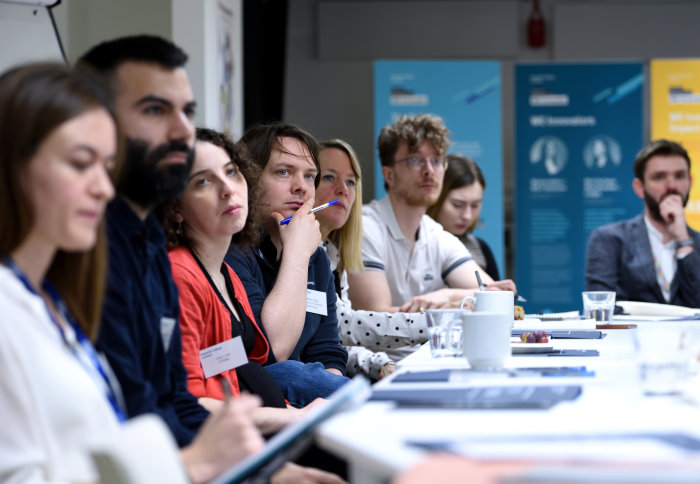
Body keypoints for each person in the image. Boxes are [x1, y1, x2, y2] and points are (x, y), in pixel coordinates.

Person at [0, 61, 262, 484]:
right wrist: (190, 466)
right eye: (81, 163)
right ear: (15, 166)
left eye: (106, 167)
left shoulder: (53, 301)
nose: (103, 188)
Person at [160, 128, 344, 482]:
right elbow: (195, 396)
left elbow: (249, 369)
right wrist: (296, 417)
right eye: (202, 182)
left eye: (231, 173)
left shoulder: (225, 275)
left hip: (253, 431)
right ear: (175, 207)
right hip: (222, 446)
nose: (228, 189)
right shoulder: (182, 274)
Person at [226, 122, 349, 407]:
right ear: (249, 180)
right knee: (291, 372)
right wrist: (296, 254)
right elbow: (272, 351)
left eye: (310, 177)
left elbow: (327, 350)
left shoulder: (315, 257)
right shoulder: (232, 251)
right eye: (284, 172)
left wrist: (325, 401)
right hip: (254, 397)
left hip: (306, 404)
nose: (302, 188)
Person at [347, 114, 516, 314]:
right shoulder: (365, 228)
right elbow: (376, 317)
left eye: (436, 160)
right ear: (389, 174)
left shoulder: (435, 234)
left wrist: (447, 296)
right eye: (415, 160)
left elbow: (497, 295)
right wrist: (448, 308)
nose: (429, 170)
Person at [316, 139, 432, 379]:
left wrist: (379, 364)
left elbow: (334, 340)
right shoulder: (302, 252)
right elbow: (344, 326)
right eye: (329, 177)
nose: (343, 190)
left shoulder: (332, 253)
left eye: (350, 181)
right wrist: (434, 324)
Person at [586, 139, 700, 308]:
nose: (672, 186)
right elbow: (603, 308)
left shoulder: (695, 243)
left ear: (690, 182)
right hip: (632, 335)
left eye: (679, 176)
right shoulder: (609, 239)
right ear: (639, 187)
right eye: (659, 177)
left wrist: (683, 241)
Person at [427, 153, 500, 280]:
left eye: (475, 205)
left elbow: (497, 296)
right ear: (436, 199)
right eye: (458, 205)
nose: (467, 216)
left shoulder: (481, 250)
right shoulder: (417, 245)